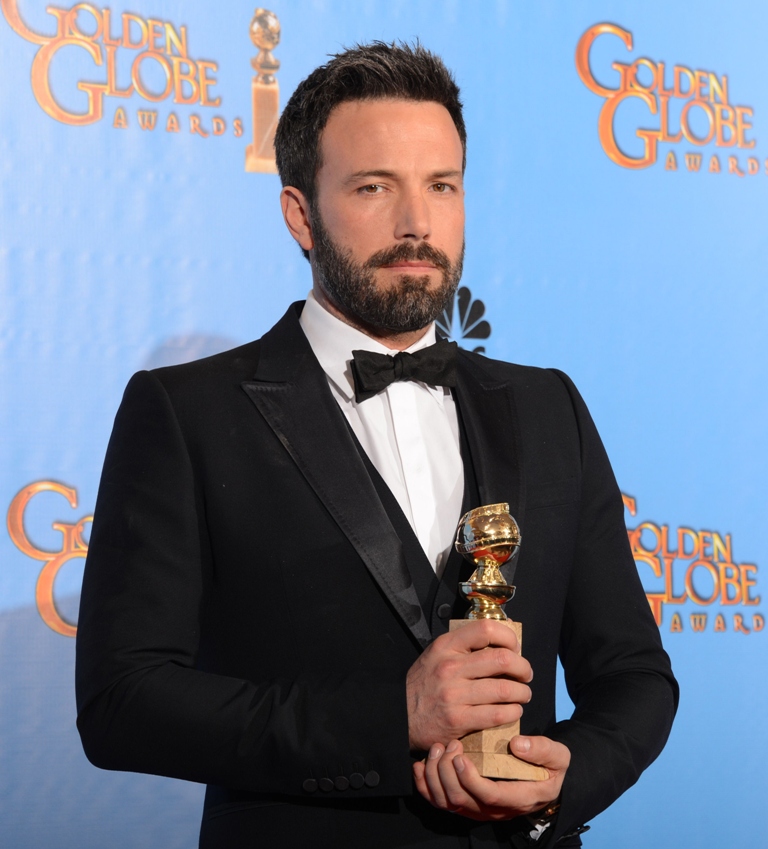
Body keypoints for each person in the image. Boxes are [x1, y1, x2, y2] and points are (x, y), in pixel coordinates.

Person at [75, 42, 678, 849]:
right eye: (373, 187)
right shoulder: (184, 413)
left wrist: (561, 777)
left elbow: (635, 677)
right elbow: (123, 702)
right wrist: (391, 718)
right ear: (300, 213)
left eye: (442, 186)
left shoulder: (548, 406)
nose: (416, 224)